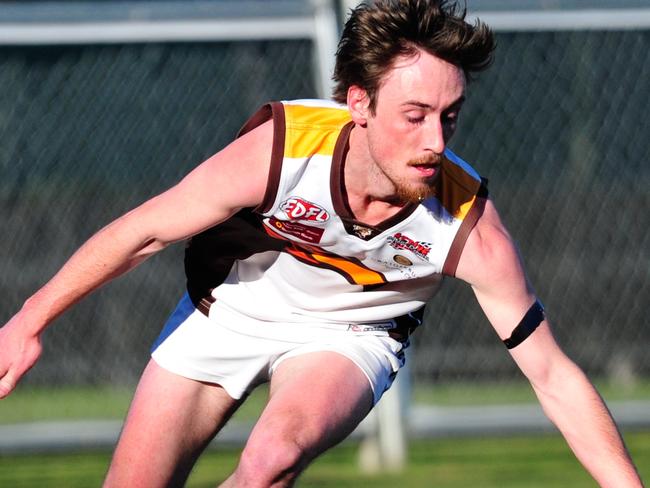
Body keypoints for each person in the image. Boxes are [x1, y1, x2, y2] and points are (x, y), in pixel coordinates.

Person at [0, 0, 643, 486]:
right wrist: (31, 320)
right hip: (231, 308)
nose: (437, 144)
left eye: (450, 116)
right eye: (414, 116)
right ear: (358, 104)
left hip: (350, 335)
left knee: (271, 459)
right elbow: (144, 232)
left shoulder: (468, 222)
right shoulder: (283, 149)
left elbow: (553, 375)